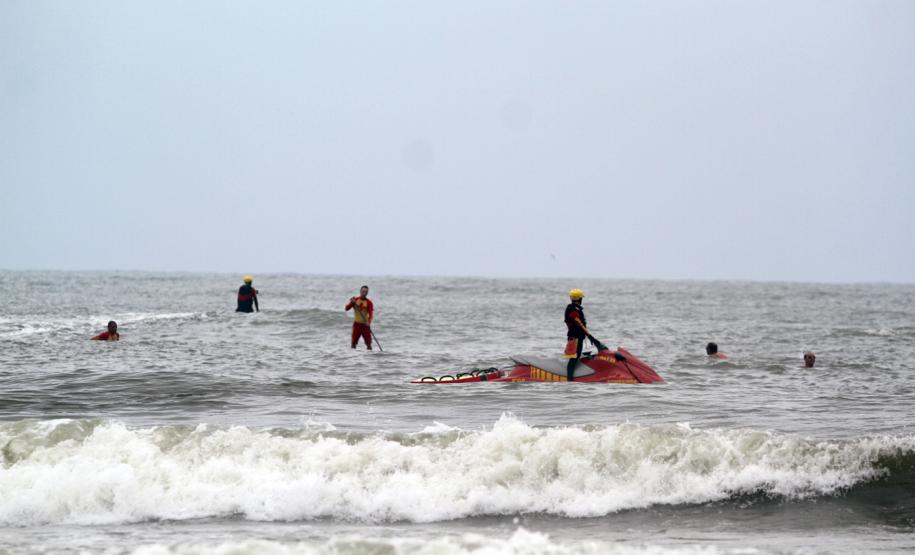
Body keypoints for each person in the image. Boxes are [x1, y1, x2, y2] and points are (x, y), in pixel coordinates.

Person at [564, 288, 610, 381]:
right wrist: (590, 337)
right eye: (581, 298)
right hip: (575, 338)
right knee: (574, 359)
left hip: (576, 337)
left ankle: (571, 378)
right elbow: (579, 323)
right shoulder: (573, 310)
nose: (582, 300)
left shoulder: (574, 308)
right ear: (579, 299)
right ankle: (569, 380)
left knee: (575, 358)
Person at [345, 285, 374, 350]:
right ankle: (353, 358)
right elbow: (346, 308)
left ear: (367, 293)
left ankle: (370, 359)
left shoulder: (369, 303)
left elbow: (371, 314)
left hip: (365, 325)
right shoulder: (355, 300)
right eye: (363, 291)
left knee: (368, 344)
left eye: (366, 292)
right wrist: (351, 303)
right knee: (353, 343)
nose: (364, 293)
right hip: (357, 325)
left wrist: (369, 322)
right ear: (360, 291)